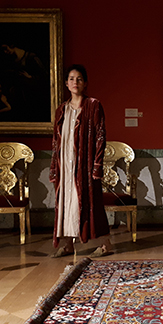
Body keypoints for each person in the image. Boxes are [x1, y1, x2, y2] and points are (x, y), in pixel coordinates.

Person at [49, 64, 112, 258]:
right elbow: (55, 141)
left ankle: (105, 244)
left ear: (85, 83)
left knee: (92, 203)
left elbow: (100, 136)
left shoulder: (93, 105)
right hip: (64, 165)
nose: (75, 82)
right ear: (66, 84)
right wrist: (54, 167)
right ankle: (68, 244)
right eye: (71, 79)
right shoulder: (61, 110)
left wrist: (97, 165)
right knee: (65, 203)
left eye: (79, 79)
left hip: (84, 166)